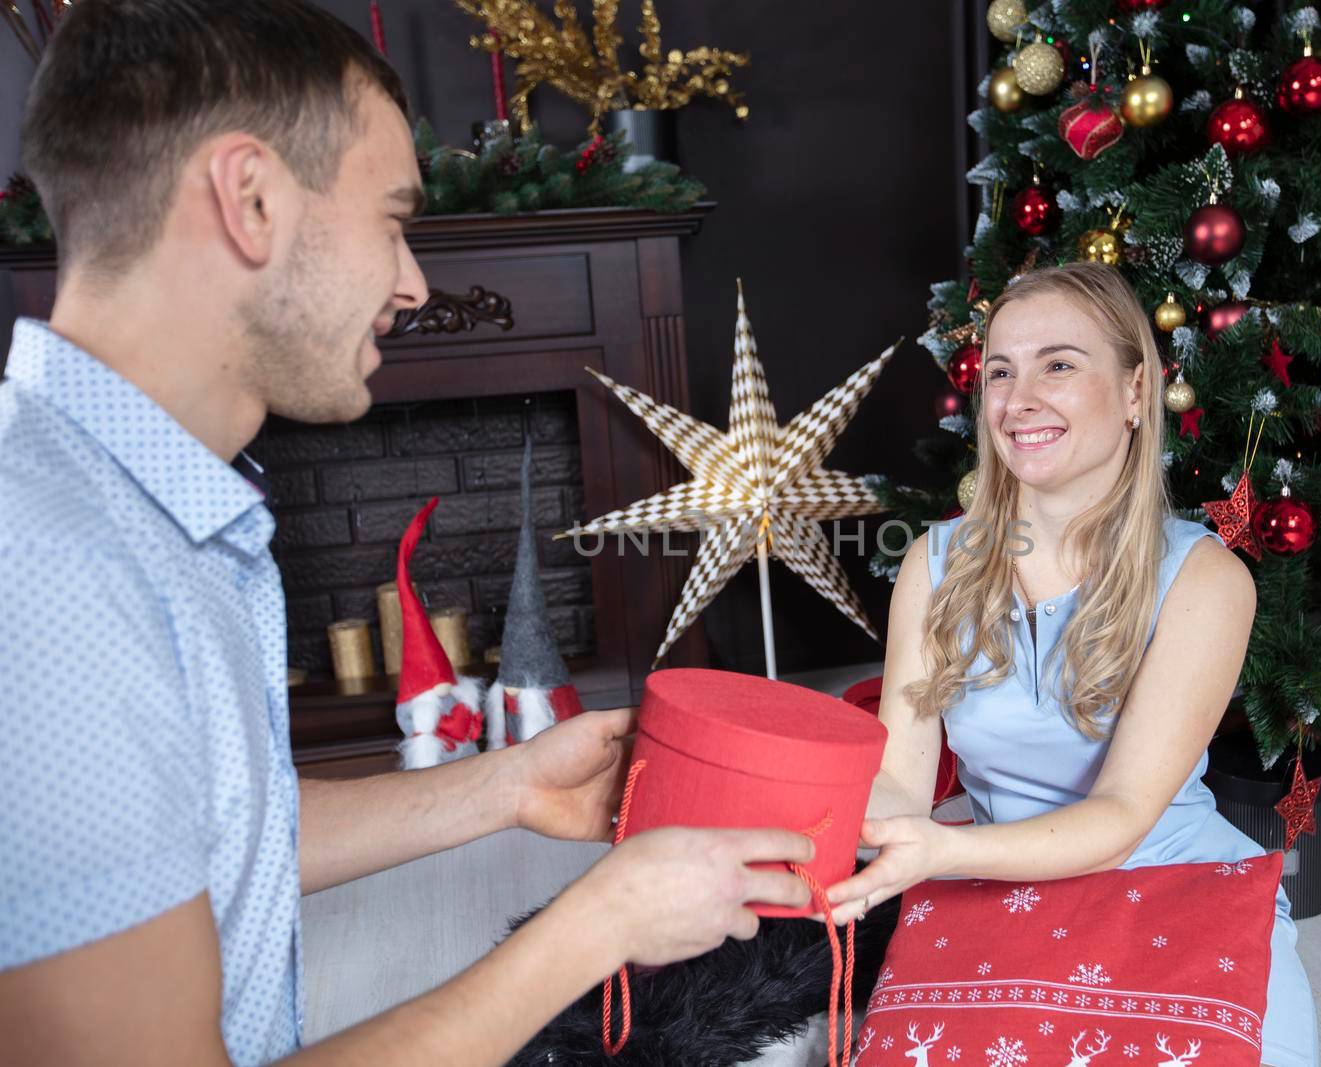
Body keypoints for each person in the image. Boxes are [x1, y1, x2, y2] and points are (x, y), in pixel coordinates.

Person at [0, 3, 813, 1065]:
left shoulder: (136, 505)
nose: (414, 283)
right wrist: (597, 925)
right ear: (249, 199)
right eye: (392, 218)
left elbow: (216, 835)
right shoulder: (56, 569)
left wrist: (506, 785)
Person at [821, 264, 1321, 1067]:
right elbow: (898, 771)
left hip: (1177, 885)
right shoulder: (935, 562)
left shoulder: (1205, 579)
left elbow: (1124, 812)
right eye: (1001, 370)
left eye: (1058, 364)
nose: (1018, 398)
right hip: (997, 887)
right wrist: (842, 820)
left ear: (1137, 392)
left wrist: (941, 851)